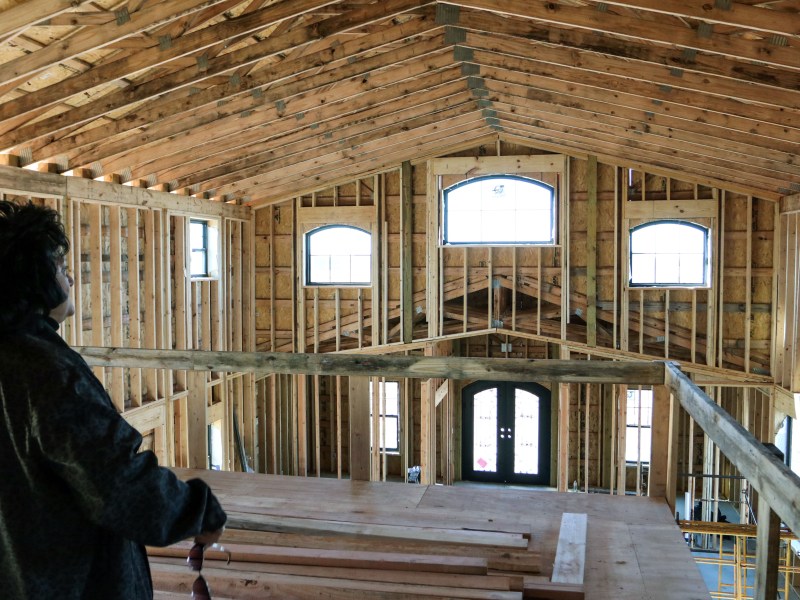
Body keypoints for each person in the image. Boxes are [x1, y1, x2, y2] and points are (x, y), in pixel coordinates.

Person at [0, 201, 226, 599]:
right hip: (73, 582)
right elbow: (115, 483)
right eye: (58, 266)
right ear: (34, 278)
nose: (69, 277)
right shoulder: (47, 373)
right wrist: (198, 511)